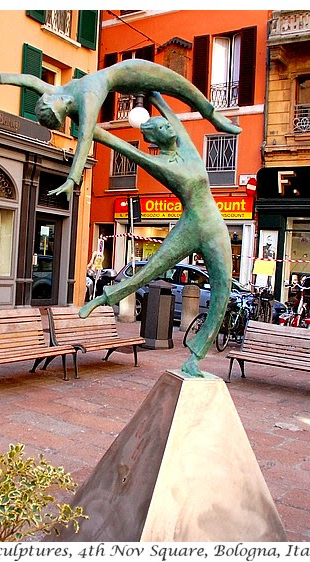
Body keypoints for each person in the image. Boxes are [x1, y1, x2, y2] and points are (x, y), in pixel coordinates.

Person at [80, 92, 233, 377]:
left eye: (165, 124)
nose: (168, 127)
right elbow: (129, 151)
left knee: (223, 289)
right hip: (191, 224)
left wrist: (156, 96)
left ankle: (196, 356)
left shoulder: (186, 149)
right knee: (150, 270)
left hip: (215, 227)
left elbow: (178, 122)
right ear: (155, 140)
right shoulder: (162, 164)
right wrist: (95, 131)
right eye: (161, 127)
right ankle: (102, 299)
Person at [0, 59, 241, 199]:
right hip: (123, 82)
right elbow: (31, 81)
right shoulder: (59, 93)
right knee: (176, 89)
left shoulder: (87, 96)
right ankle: (212, 115)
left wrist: (72, 178)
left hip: (133, 71)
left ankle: (213, 116)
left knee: (182, 87)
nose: (66, 105)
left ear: (55, 101)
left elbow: (85, 139)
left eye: (62, 107)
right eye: (65, 112)